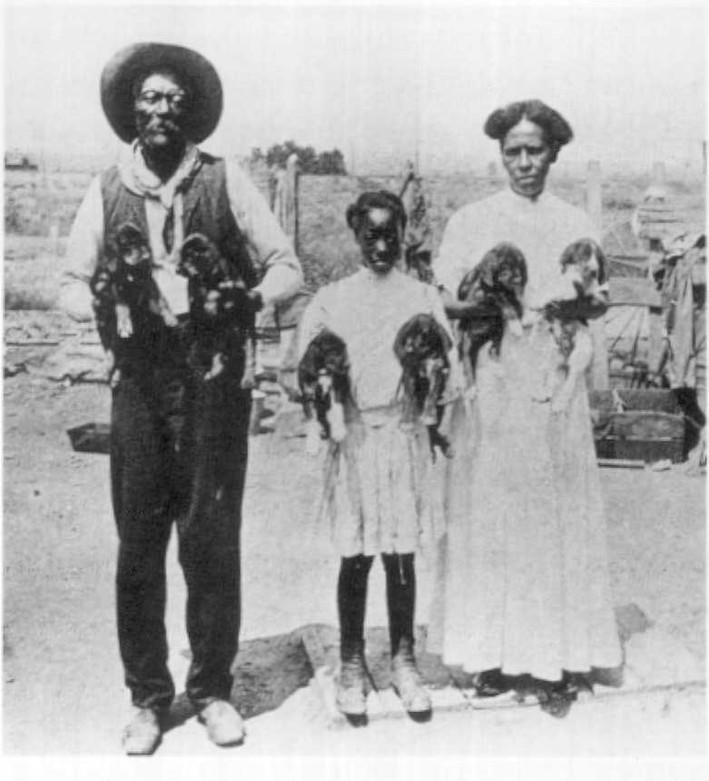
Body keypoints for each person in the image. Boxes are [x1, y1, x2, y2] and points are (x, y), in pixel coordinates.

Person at [60, 43, 302, 754]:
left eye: (172, 99)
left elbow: (285, 266)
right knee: (138, 543)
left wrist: (242, 300)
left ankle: (214, 689)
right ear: (131, 109)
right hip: (137, 381)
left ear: (188, 109)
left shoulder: (224, 181)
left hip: (212, 382)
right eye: (149, 98)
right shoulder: (109, 188)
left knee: (210, 538)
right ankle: (146, 696)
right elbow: (70, 279)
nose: (160, 110)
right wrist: (100, 302)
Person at [429, 99, 622, 716]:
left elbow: (599, 299)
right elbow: (444, 299)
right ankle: (491, 653)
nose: (523, 162)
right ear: (500, 156)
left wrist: (573, 307)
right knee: (492, 508)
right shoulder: (472, 220)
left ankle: (555, 659)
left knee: (552, 513)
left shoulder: (573, 219)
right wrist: (492, 307)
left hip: (553, 377)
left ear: (554, 153)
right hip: (495, 376)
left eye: (534, 149)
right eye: (512, 150)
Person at [297, 191, 457, 719]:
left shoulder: (423, 297)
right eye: (372, 235)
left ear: (405, 232)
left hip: (405, 432)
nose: (383, 245)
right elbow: (305, 367)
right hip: (356, 438)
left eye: (392, 234)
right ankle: (350, 660)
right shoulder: (332, 298)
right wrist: (326, 397)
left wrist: (432, 398)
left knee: (401, 554)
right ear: (357, 236)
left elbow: (445, 368)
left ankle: (404, 659)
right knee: (357, 553)